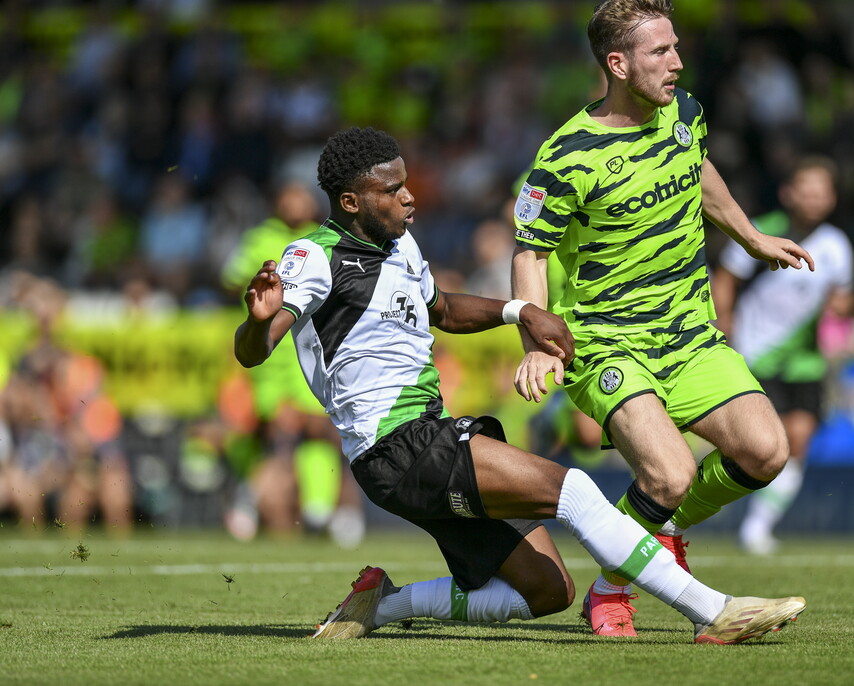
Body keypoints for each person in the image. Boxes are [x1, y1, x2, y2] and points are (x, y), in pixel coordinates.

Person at [234, 126, 805, 643]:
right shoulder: (313, 257)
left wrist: (519, 312)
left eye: (407, 183)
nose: (409, 196)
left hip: (421, 440)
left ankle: (381, 605)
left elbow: (445, 310)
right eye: (391, 190)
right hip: (398, 446)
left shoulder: (400, 245)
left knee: (548, 593)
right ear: (352, 201)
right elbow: (255, 351)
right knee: (574, 490)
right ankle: (716, 611)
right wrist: (258, 325)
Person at [511, 0, 814, 637]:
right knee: (670, 472)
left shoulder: (685, 114)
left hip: (689, 335)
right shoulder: (565, 156)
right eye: (660, 52)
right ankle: (615, 584)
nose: (677, 62)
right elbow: (530, 251)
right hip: (606, 341)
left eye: (676, 47)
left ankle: (648, 541)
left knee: (766, 451)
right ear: (616, 64)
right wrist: (536, 340)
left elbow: (698, 171)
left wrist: (751, 236)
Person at [712, 156, 854, 555]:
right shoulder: (761, 231)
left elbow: (840, 298)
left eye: (821, 193)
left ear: (831, 199)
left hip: (805, 360)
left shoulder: (836, 245)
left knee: (800, 439)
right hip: (756, 355)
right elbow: (726, 277)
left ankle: (758, 526)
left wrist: (841, 312)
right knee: (760, 444)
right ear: (788, 193)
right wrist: (724, 321)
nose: (813, 199)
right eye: (805, 191)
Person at [222, 181, 365, 545]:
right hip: (271, 359)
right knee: (277, 434)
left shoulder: (323, 238)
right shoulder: (259, 238)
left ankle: (323, 508)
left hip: (311, 351)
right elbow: (232, 281)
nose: (294, 202)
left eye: (301, 196)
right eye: (287, 195)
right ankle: (253, 501)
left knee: (319, 431)